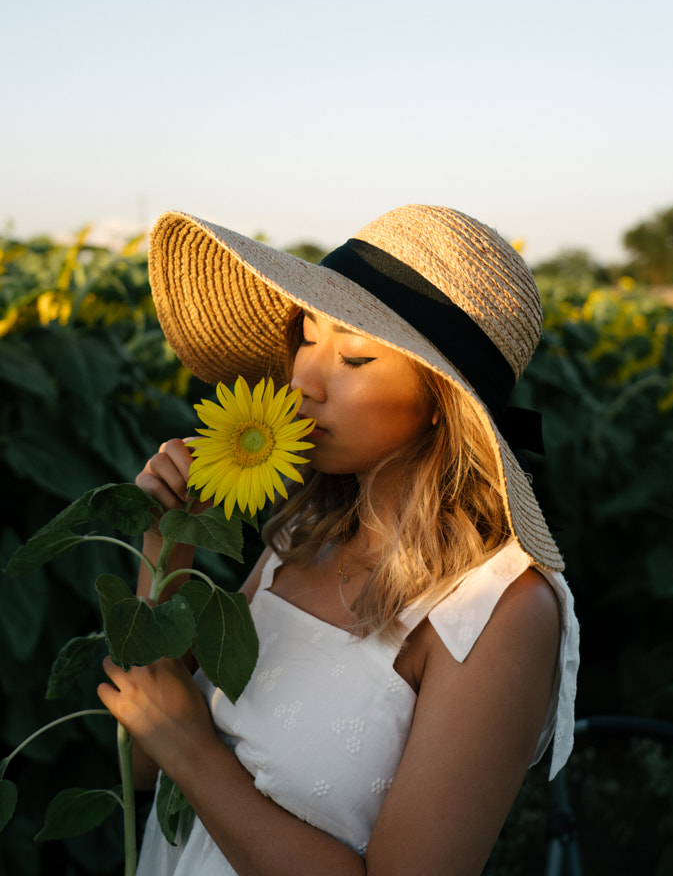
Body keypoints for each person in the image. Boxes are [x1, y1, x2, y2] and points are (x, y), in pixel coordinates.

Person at [97, 203, 579, 876]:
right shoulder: (297, 538)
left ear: (444, 400)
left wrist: (195, 751)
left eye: (353, 356)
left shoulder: (496, 612)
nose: (301, 381)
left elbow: (177, 750)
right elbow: (146, 762)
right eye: (306, 335)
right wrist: (167, 542)